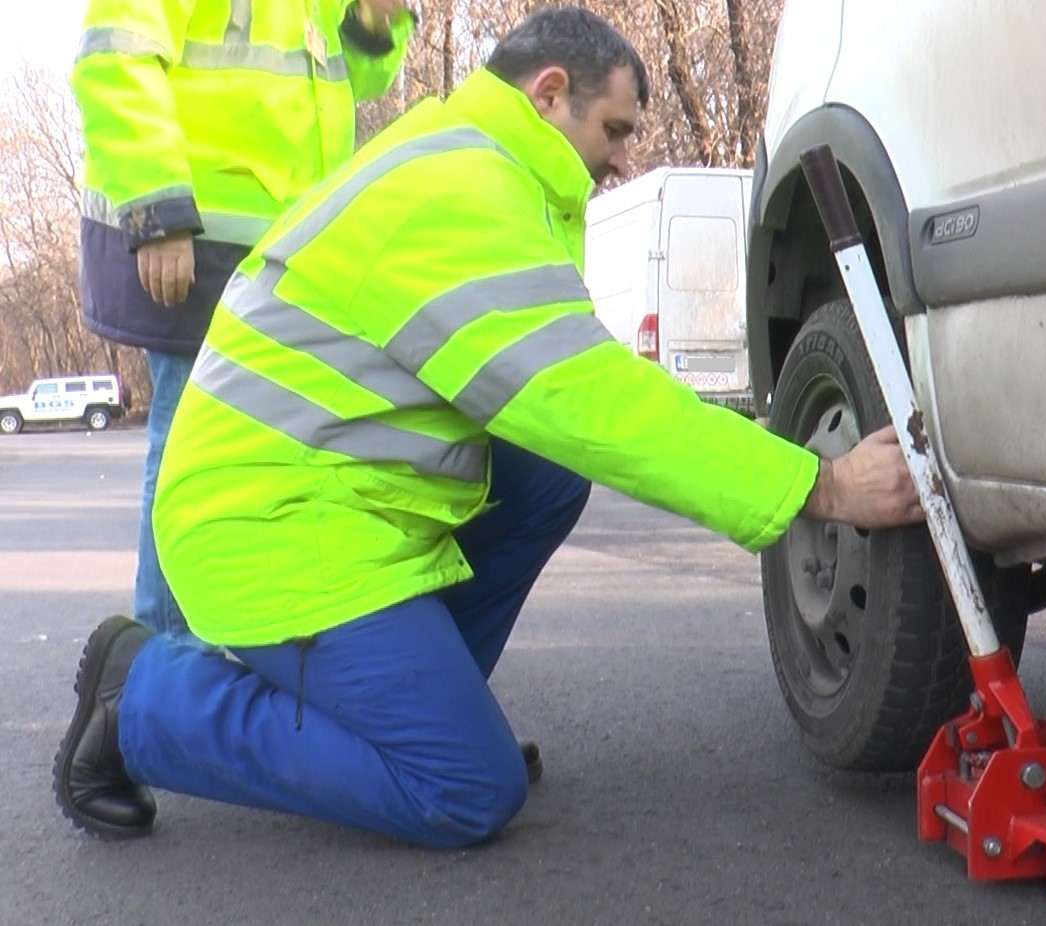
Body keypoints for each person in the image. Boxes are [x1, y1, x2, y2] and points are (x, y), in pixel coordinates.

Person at [53, 6, 925, 849]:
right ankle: (143, 702)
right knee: (466, 788)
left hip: (321, 497)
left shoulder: (474, 162)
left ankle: (418, 709)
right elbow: (600, 405)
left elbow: (576, 397)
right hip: (267, 531)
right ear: (549, 93)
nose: (621, 159)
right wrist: (819, 486)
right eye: (614, 130)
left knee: (544, 477)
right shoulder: (461, 194)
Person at [71, 0, 414, 637]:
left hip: (286, 251)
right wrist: (157, 212)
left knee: (258, 467)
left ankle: (215, 653)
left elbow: (355, 83)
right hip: (195, 242)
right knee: (192, 460)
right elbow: (114, 58)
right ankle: (164, 664)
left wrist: (373, 23)